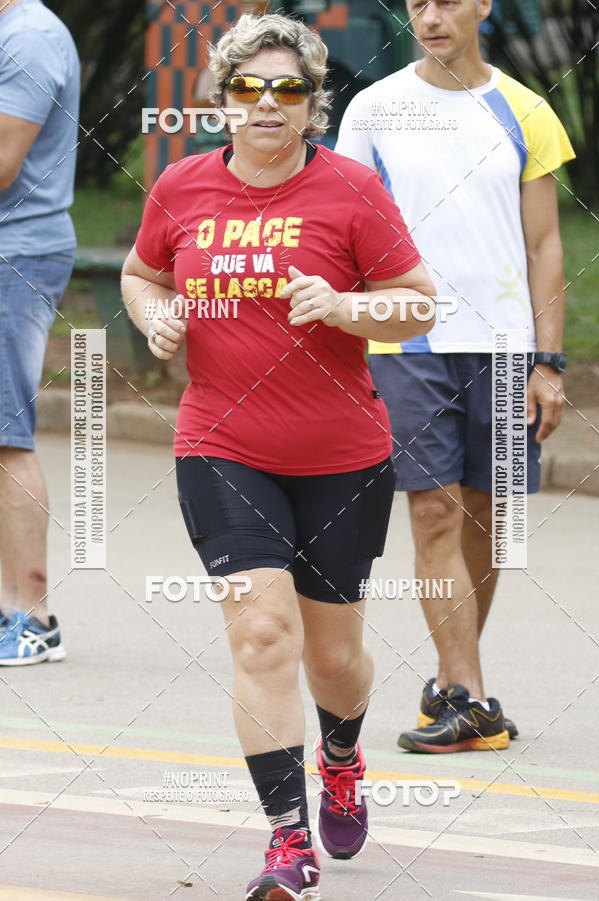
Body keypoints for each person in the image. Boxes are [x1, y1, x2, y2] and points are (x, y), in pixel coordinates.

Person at [122, 13, 435, 899]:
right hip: (221, 444)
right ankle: (286, 841)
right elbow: (144, 273)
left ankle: (342, 751)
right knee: (262, 635)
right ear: (221, 102)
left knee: (334, 658)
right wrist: (154, 316)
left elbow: (417, 304)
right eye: (249, 87)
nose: (267, 102)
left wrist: (345, 307)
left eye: (287, 88)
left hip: (343, 454)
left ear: (311, 104)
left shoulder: (351, 191)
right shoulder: (180, 187)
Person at [336, 0, 575, 753]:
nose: (431, 16)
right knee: (435, 510)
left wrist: (548, 360)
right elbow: (343, 229)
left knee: (487, 514)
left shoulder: (526, 109)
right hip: (406, 340)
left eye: (447, 1)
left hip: (504, 346)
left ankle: (452, 681)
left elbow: (545, 246)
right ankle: (468, 690)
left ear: (484, 7)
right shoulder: (374, 108)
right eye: (418, 4)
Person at [0, 0, 79, 664]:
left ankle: (33, 621)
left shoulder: (26, 38)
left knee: (6, 434)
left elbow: (2, 161)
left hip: (14, 253)